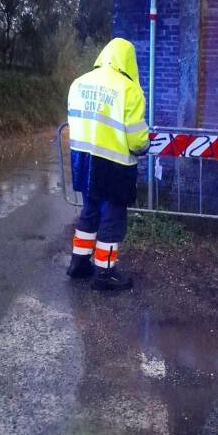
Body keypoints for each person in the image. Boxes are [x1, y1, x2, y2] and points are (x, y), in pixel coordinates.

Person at [66, 38, 149, 291]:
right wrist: (144, 146)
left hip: (83, 161)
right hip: (114, 166)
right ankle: (106, 273)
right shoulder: (129, 89)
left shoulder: (78, 83)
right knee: (113, 219)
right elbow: (137, 139)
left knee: (89, 211)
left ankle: (79, 263)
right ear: (128, 60)